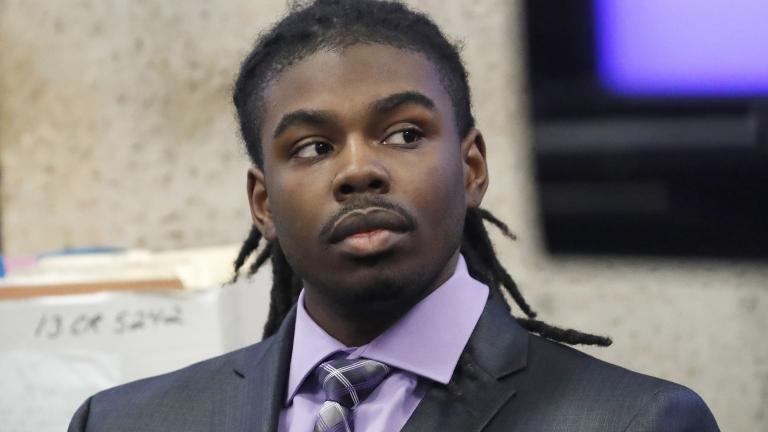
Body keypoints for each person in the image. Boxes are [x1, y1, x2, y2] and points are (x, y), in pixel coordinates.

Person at [69, 0, 720, 430]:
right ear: (262, 203)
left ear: (471, 169)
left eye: (404, 134)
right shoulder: (124, 422)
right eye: (314, 147)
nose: (358, 170)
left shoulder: (637, 422)